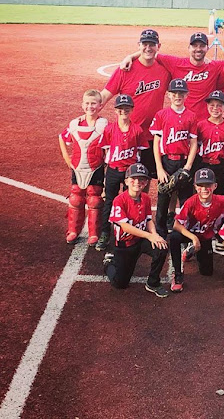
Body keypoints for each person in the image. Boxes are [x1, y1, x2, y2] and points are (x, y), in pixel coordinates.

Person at [100, 29, 171, 176]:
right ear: (139, 45)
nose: (148, 48)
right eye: (145, 44)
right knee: (120, 176)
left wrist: (132, 55)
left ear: (158, 46)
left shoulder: (165, 70)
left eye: (152, 44)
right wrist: (89, 114)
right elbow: (105, 95)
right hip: (127, 134)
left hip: (152, 134)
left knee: (144, 176)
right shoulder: (125, 69)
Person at [120, 31, 224, 122]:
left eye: (202, 46)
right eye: (195, 46)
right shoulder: (176, 63)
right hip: (182, 121)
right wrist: (130, 56)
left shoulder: (215, 66)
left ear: (207, 48)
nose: (198, 49)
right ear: (189, 48)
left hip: (205, 122)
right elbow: (151, 52)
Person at [168, 168, 224, 292]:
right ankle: (178, 274)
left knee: (207, 272)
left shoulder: (221, 200)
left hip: (205, 236)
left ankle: (190, 251)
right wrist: (193, 238)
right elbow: (176, 224)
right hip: (189, 234)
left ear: (215, 186)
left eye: (208, 185)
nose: (204, 189)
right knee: (174, 237)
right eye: (200, 185)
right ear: (195, 187)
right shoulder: (191, 202)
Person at [103, 163, 169, 297]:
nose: (137, 182)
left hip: (140, 240)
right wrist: (149, 236)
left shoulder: (146, 198)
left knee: (161, 247)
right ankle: (109, 263)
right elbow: (125, 227)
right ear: (126, 181)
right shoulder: (119, 200)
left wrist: (154, 235)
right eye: (133, 179)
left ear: (146, 183)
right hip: (125, 245)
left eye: (141, 179)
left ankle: (153, 283)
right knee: (120, 283)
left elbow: (148, 219)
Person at [96, 94, 149, 253]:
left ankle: (131, 231)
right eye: (120, 109)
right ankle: (105, 232)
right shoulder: (110, 129)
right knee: (109, 201)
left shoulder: (137, 130)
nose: (123, 111)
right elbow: (105, 150)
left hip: (130, 173)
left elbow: (140, 151)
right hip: (113, 170)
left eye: (127, 108)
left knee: (130, 202)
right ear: (115, 110)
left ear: (132, 110)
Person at [58, 89, 108, 245]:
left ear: (100, 106)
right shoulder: (75, 124)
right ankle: (73, 230)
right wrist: (67, 158)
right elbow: (62, 137)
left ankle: (94, 233)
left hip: (96, 167)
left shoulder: (104, 125)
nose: (90, 106)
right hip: (78, 167)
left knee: (94, 199)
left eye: (93, 103)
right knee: (76, 198)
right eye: (87, 103)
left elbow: (110, 145)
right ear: (82, 105)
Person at [150, 78, 199, 235]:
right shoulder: (161, 114)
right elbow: (157, 142)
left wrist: (188, 167)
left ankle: (183, 232)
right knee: (163, 196)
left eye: (181, 93)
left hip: (183, 161)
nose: (178, 96)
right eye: (174, 93)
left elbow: (193, 142)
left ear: (187, 95)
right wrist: (159, 168)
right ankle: (160, 230)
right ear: (169, 95)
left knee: (185, 199)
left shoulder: (191, 116)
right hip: (167, 161)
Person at [196, 90, 224, 196]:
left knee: (220, 196)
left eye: (219, 105)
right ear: (207, 106)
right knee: (202, 195)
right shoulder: (200, 126)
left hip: (221, 166)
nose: (215, 108)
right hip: (203, 164)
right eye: (212, 105)